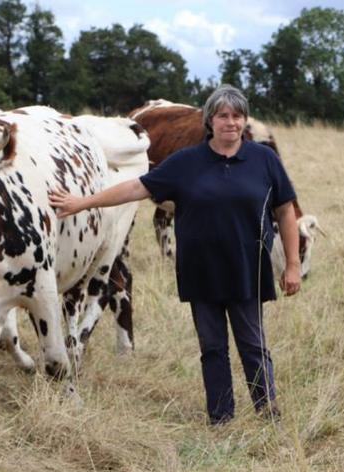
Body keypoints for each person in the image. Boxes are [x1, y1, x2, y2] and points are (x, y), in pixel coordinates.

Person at [49, 85, 301, 425]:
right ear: (210, 121)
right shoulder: (186, 161)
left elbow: (285, 211)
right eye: (223, 115)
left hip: (247, 268)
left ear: (244, 121)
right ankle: (221, 417)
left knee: (253, 344)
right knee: (212, 348)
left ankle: (267, 410)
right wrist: (82, 202)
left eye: (237, 116)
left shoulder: (264, 159)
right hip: (201, 270)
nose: (231, 122)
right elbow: (137, 187)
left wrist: (293, 266)